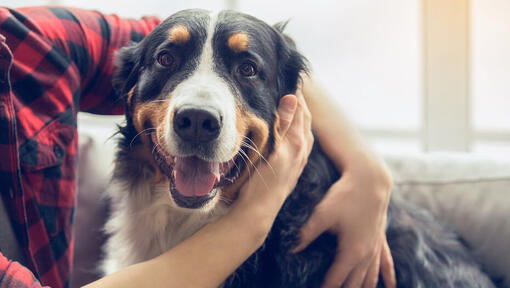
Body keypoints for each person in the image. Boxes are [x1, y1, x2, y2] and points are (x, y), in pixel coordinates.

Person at [0, 6, 395, 288]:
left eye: (247, 69)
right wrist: (253, 219)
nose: (199, 113)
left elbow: (213, 32)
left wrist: (368, 172)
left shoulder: (27, 39)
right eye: (168, 61)